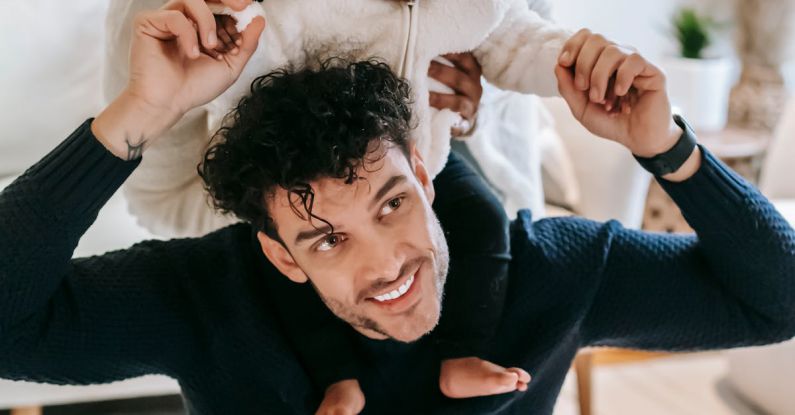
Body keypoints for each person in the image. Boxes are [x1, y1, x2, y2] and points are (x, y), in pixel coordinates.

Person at [1, 4, 794, 415]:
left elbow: (777, 296)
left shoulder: (542, 273)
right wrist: (134, 114)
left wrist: (669, 150)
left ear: (421, 168)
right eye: (323, 238)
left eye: (390, 205)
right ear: (278, 250)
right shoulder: (215, 295)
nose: (385, 266)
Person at [104, 0, 567, 410]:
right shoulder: (211, 16)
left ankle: (463, 352)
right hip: (284, 180)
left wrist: (475, 103)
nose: (384, 263)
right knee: (284, 267)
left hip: (411, 151)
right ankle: (338, 379)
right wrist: (223, 32)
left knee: (481, 214)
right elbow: (171, 194)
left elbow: (514, 36)